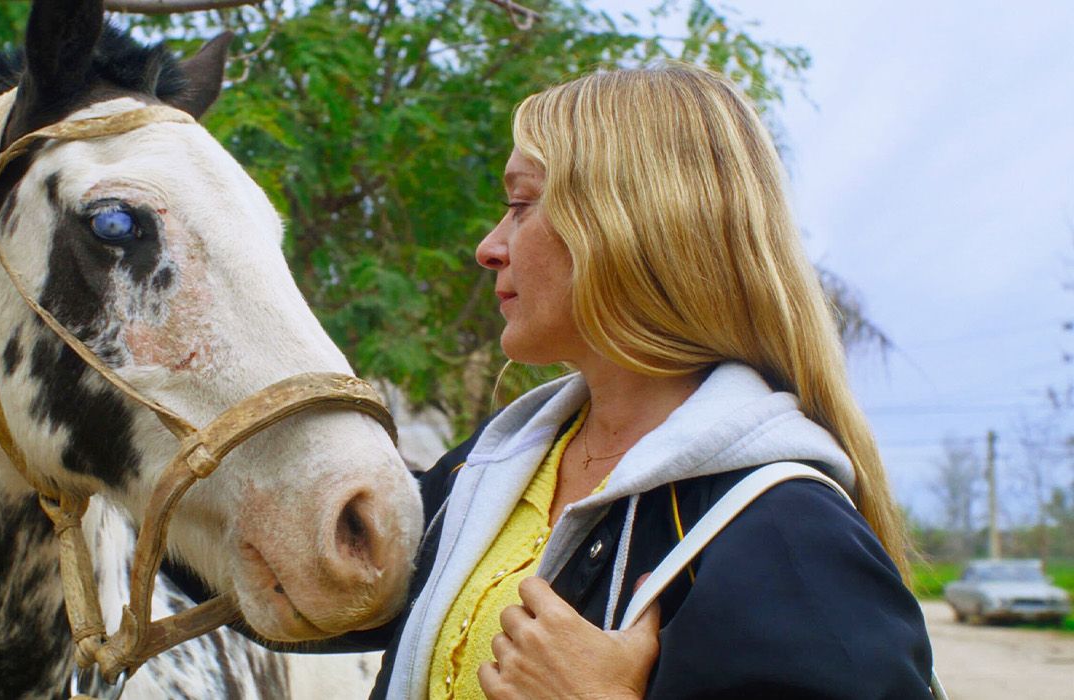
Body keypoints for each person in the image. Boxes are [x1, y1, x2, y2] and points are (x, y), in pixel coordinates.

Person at [356, 62, 934, 699]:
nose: (489, 247)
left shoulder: (788, 533)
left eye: (521, 204)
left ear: (626, 225)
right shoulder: (497, 466)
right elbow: (315, 574)